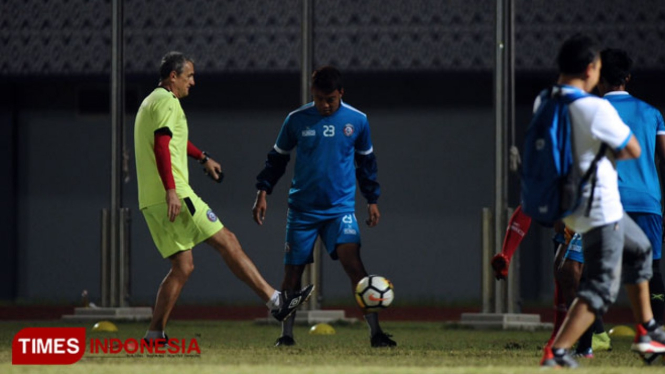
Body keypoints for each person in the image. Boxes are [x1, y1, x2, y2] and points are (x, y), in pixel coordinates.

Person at [134, 51, 313, 343]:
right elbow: (161, 145)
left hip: (150, 199)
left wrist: (202, 157)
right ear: (173, 77)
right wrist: (170, 189)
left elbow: (173, 139)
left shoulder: (150, 102)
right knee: (227, 241)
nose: (193, 81)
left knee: (182, 267)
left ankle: (154, 333)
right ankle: (276, 302)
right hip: (176, 194)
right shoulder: (168, 100)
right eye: (189, 76)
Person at [539, 35, 665, 368]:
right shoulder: (595, 107)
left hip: (583, 203)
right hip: (601, 204)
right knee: (601, 286)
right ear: (590, 69)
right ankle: (559, 349)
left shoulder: (550, 102)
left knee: (640, 251)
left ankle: (647, 329)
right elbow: (634, 149)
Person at [252, 66, 395, 348]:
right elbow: (276, 160)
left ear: (341, 93)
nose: (324, 105)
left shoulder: (358, 120)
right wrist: (263, 191)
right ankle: (286, 336)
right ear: (312, 94)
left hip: (340, 210)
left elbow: (366, 164)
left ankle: (376, 333)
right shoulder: (295, 120)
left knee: (354, 265)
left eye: (330, 99)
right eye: (318, 99)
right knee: (293, 274)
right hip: (302, 212)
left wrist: (372, 200)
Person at [597, 48, 665, 325]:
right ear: (627, 77)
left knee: (596, 270)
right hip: (648, 201)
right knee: (652, 270)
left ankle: (595, 337)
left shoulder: (593, 113)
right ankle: (657, 333)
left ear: (599, 78)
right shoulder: (652, 113)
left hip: (608, 203)